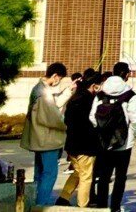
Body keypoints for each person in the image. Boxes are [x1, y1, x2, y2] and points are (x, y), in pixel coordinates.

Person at [20, 63, 70, 206]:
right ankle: (41, 205)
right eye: (59, 79)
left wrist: (67, 91)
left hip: (38, 138)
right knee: (49, 174)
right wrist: (65, 126)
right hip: (47, 139)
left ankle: (35, 203)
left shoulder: (38, 89)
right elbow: (53, 116)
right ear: (55, 76)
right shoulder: (45, 93)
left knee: (39, 173)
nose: (58, 82)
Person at [91, 74, 136, 212]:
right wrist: (131, 133)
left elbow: (92, 117)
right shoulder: (130, 95)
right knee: (120, 177)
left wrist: (102, 131)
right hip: (124, 144)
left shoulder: (100, 95)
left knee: (104, 176)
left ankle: (101, 205)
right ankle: (115, 206)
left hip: (105, 143)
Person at [57, 70, 100, 207]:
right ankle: (83, 205)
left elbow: (67, 120)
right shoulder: (90, 100)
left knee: (78, 172)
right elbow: (94, 122)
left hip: (71, 143)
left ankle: (64, 197)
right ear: (93, 85)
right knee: (86, 177)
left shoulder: (74, 98)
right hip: (86, 144)